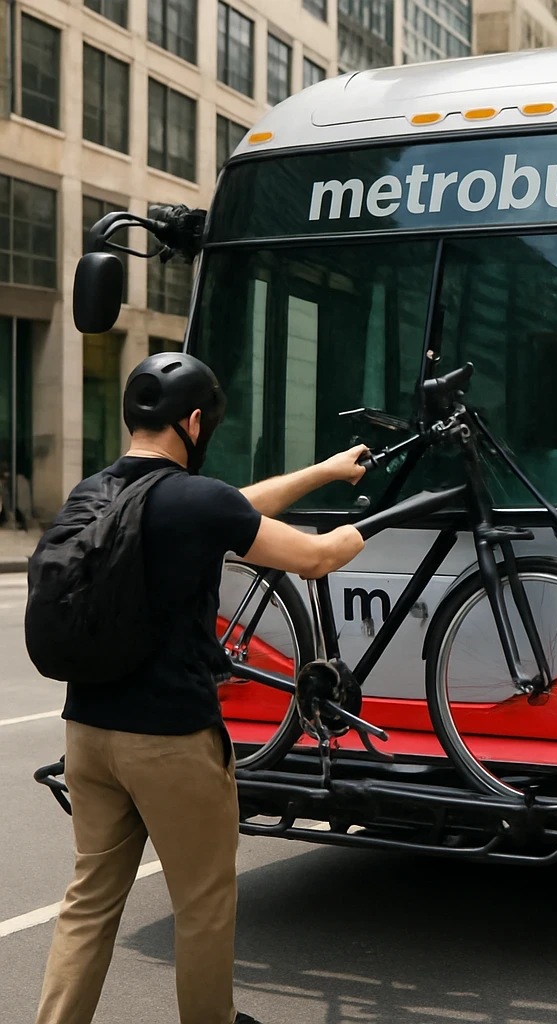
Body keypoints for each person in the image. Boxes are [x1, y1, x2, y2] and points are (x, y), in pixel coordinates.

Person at [35, 352, 368, 1024]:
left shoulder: (94, 494)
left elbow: (237, 507)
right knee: (204, 906)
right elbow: (316, 558)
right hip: (171, 745)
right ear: (193, 421)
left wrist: (325, 473)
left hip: (89, 735)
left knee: (89, 904)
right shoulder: (194, 502)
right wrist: (375, 523)